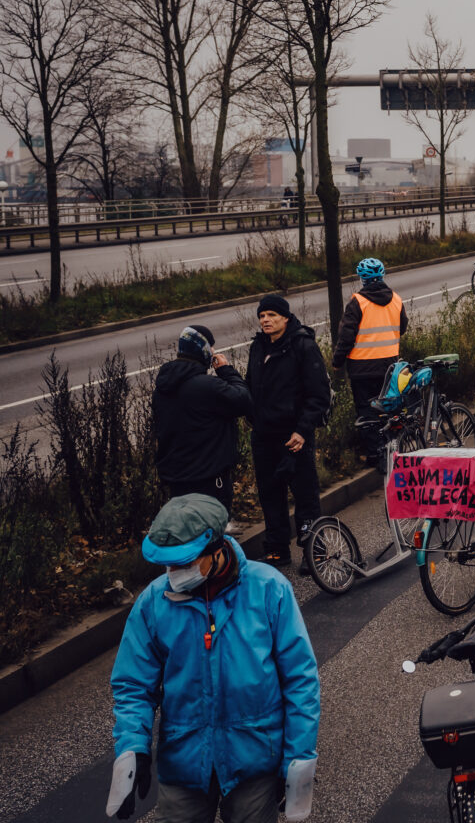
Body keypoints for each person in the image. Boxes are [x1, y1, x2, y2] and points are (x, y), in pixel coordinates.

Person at [110, 494, 319, 823]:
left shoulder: (269, 590)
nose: (174, 573)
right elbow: (133, 683)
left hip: (255, 761)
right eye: (169, 564)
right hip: (184, 763)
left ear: (217, 548)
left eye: (185, 562)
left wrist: (297, 759)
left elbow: (300, 681)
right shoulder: (153, 602)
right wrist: (132, 746)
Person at [246, 295, 331, 571]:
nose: (266, 320)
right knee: (271, 496)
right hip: (264, 436)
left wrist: (302, 431)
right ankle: (277, 551)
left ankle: (315, 552)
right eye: (262, 316)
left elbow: (318, 395)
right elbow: (251, 386)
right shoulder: (258, 347)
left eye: (271, 315)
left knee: (305, 496)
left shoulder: (302, 345)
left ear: (285, 317)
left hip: (294, 437)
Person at [152, 324, 253, 510]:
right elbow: (243, 401)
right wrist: (226, 370)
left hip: (176, 478)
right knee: (211, 528)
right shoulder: (207, 386)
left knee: (185, 528)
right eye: (211, 347)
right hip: (208, 477)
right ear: (204, 350)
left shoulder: (162, 388)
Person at [331, 257, 408, 464]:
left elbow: (346, 336)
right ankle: (392, 448)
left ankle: (375, 454)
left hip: (361, 368)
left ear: (362, 279)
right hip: (389, 366)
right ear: (382, 275)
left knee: (367, 412)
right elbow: (403, 327)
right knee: (388, 408)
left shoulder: (357, 302)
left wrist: (337, 361)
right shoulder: (396, 299)